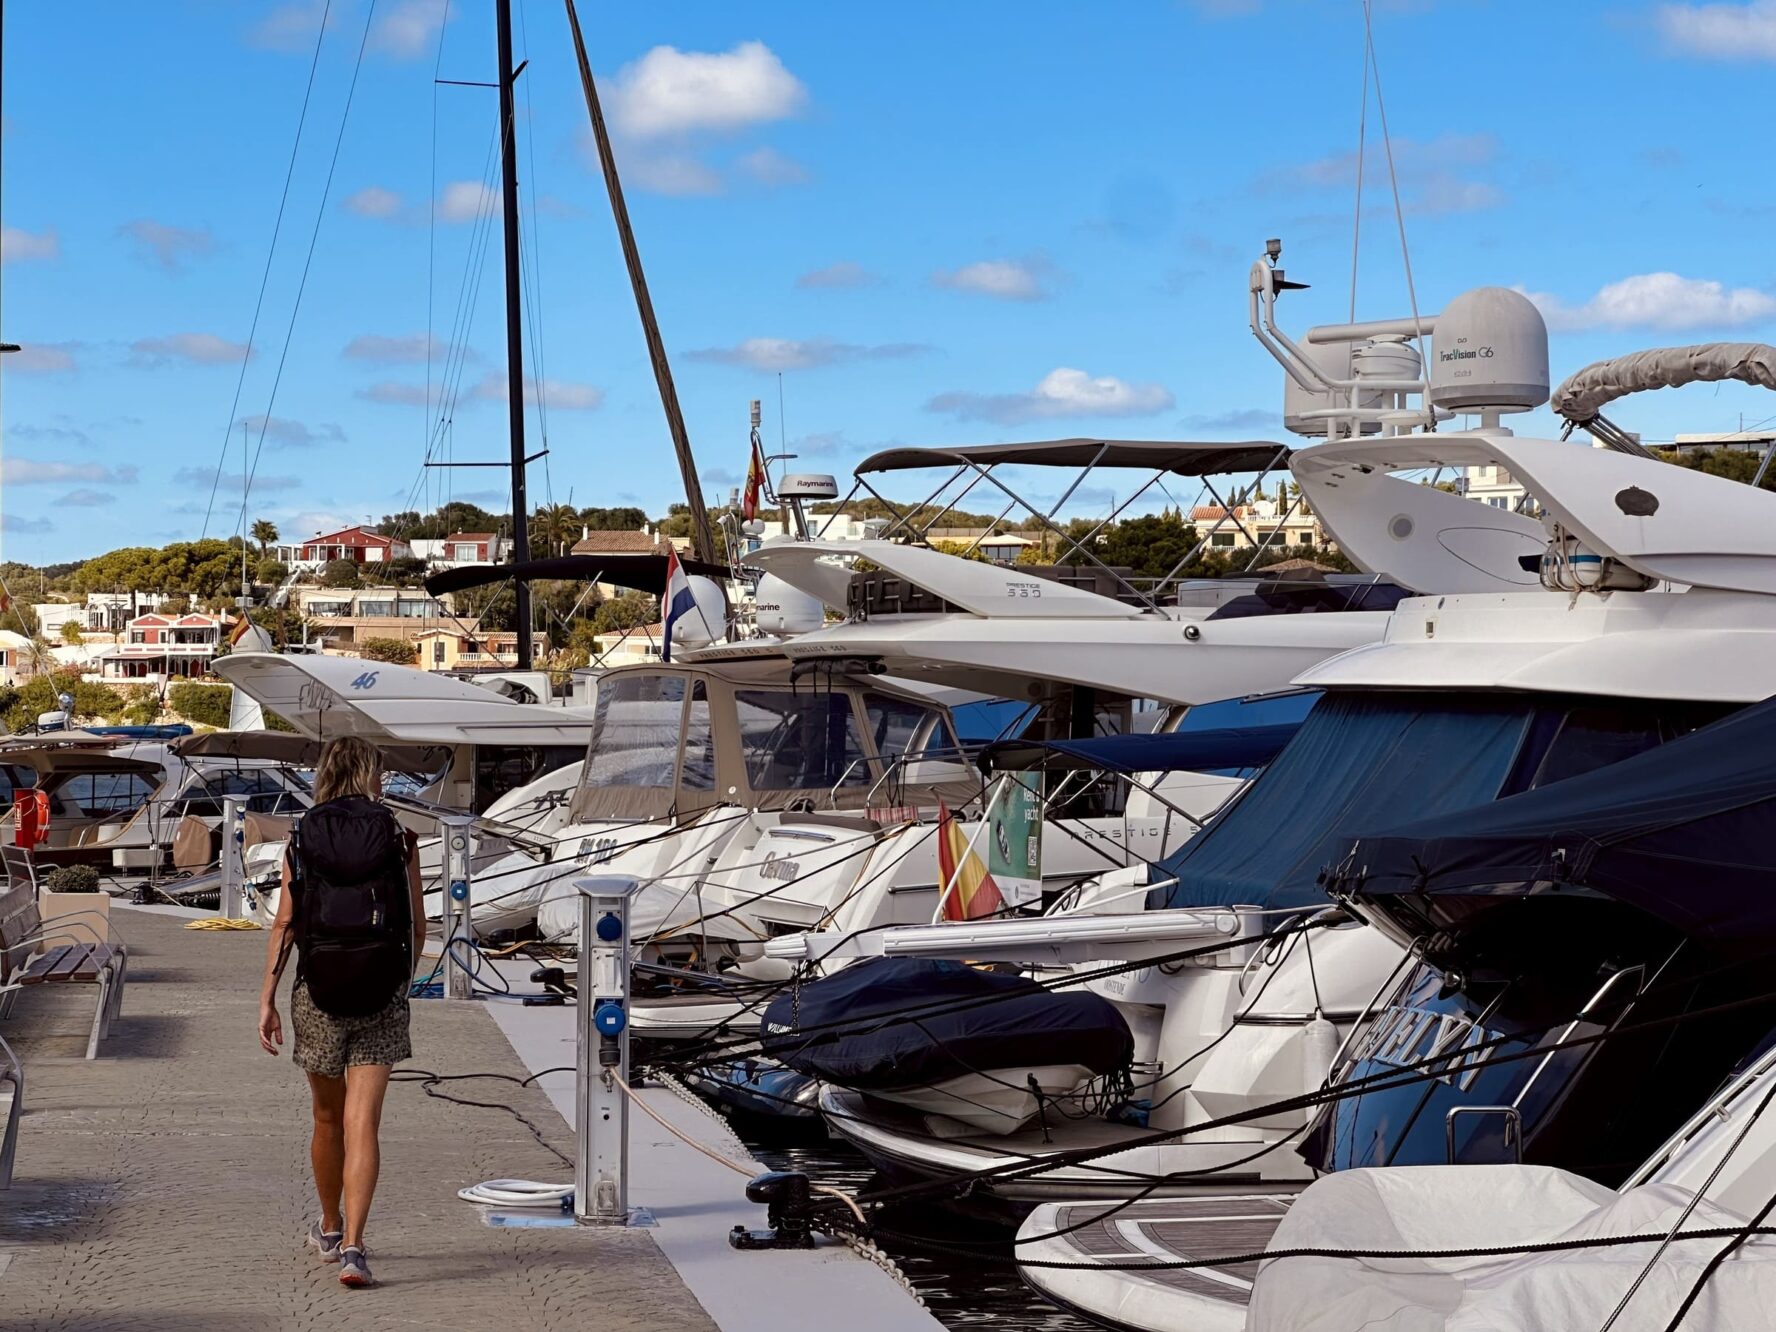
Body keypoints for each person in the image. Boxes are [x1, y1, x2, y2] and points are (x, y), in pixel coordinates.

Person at [258, 735, 423, 1289]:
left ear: (325, 773)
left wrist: (268, 999)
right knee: (364, 1122)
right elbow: (416, 923)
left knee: (327, 1118)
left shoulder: (302, 834)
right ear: (373, 773)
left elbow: (285, 923)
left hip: (318, 994)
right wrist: (402, 980)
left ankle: (328, 1229)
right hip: (381, 993)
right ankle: (355, 1248)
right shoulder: (399, 836)